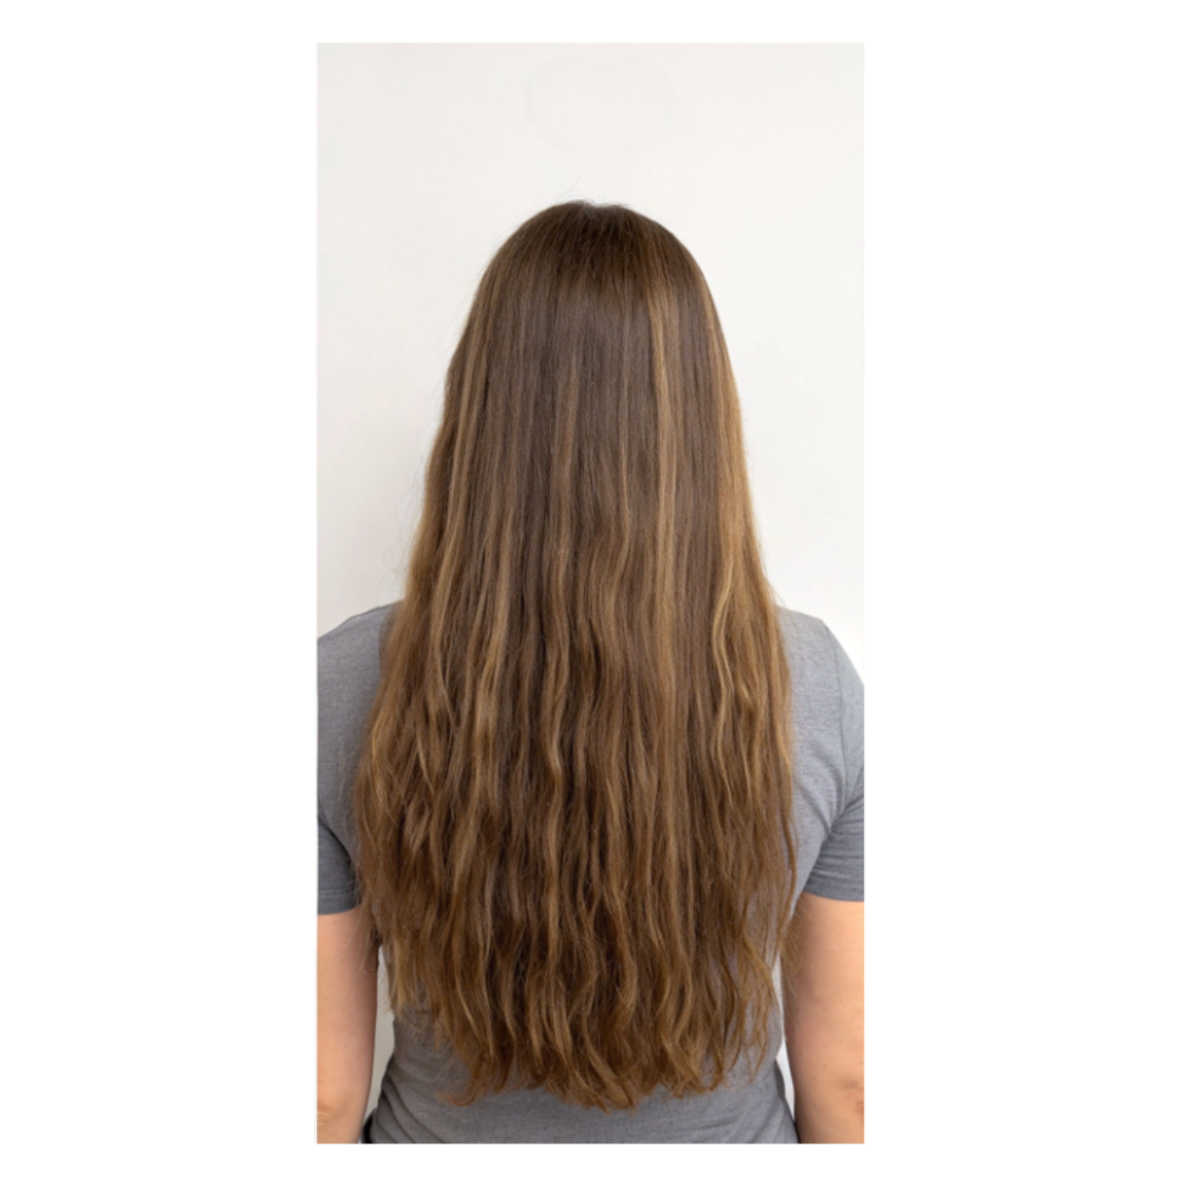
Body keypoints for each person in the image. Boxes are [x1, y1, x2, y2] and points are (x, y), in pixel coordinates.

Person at [317, 201, 864, 1144]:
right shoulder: (813, 684)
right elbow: (849, 1080)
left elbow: (317, 1095)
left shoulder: (338, 687)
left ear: (482, 406)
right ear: (698, 418)